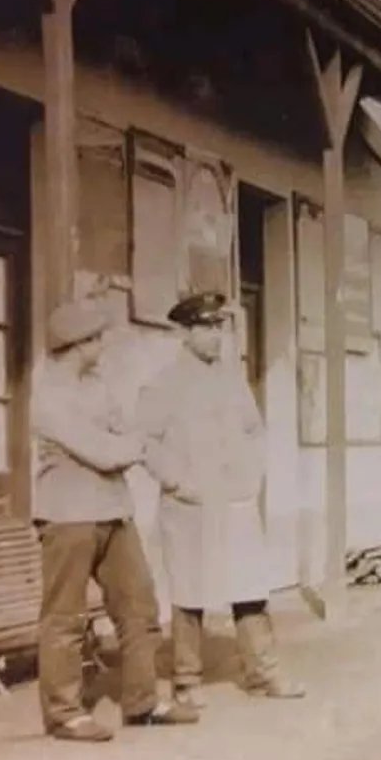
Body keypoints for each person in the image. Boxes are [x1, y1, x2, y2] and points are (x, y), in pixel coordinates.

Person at [32, 297, 199, 742]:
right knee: (65, 619)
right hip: (68, 517)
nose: (103, 345)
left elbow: (124, 435)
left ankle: (142, 702)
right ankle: (64, 714)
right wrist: (137, 447)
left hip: (113, 511)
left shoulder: (97, 386)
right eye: (96, 338)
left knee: (140, 608)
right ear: (76, 344)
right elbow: (106, 451)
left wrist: (133, 444)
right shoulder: (49, 395)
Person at [138, 291, 304, 709]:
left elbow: (254, 430)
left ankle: (265, 672)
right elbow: (146, 441)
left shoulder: (232, 381)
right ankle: (186, 681)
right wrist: (175, 481)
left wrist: (252, 475)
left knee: (249, 587)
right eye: (205, 329)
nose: (215, 337)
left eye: (219, 329)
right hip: (189, 505)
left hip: (234, 501)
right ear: (186, 333)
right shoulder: (165, 384)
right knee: (189, 593)